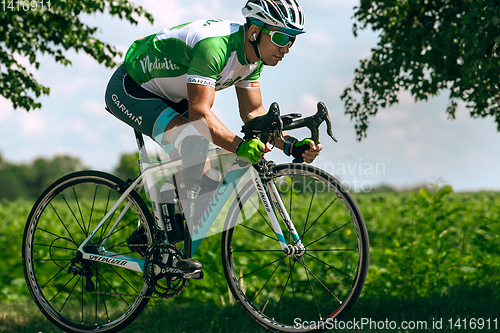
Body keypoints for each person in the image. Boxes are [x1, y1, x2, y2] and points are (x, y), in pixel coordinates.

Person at [105, 0, 322, 273]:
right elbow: (199, 113)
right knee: (192, 142)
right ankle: (159, 230)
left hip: (171, 95)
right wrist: (240, 145)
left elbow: (254, 113)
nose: (286, 48)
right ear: (254, 32)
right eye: (280, 37)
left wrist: (290, 145)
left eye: (291, 40)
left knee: (205, 173)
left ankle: (155, 237)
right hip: (132, 88)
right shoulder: (215, 47)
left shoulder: (253, 61)